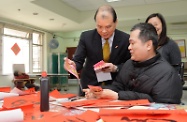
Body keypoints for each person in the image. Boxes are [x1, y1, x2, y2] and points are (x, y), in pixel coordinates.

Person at [83, 23, 183, 104]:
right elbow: (118, 86)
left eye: (132, 43)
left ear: (148, 45)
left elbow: (161, 104)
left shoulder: (167, 74)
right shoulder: (128, 64)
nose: (129, 47)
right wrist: (99, 92)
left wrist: (119, 96)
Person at [64, 5, 130, 96]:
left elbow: (130, 65)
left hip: (114, 87)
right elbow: (78, 61)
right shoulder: (86, 37)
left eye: (108, 27)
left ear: (116, 23)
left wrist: (115, 68)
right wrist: (73, 65)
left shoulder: (125, 39)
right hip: (90, 86)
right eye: (99, 26)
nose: (103, 31)